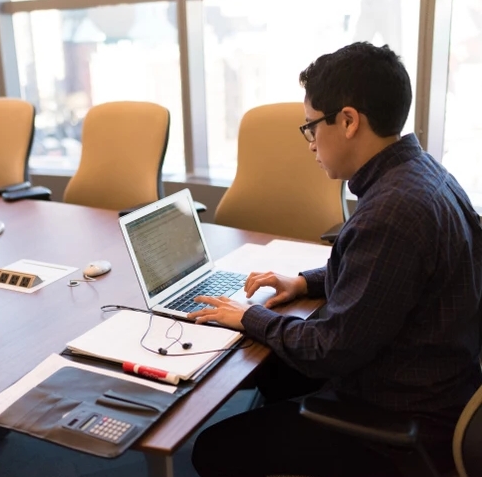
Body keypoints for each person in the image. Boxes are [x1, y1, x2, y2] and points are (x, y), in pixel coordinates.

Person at [189, 42, 482, 477]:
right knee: (272, 374)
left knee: (211, 449)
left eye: (310, 127)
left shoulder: (391, 212)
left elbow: (329, 351)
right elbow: (389, 275)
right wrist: (305, 283)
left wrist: (250, 316)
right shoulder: (423, 175)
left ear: (347, 121)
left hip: (401, 419)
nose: (309, 143)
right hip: (436, 381)